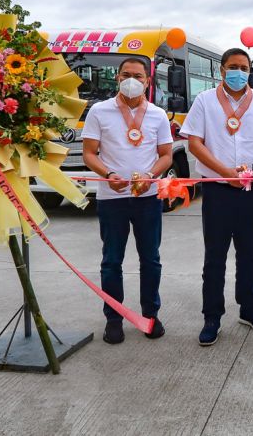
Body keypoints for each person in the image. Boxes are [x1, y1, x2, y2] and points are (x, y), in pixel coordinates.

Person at [181, 48, 253, 347]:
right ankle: (212, 316)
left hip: (250, 190)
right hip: (217, 188)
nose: (238, 72)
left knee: (248, 254)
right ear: (222, 70)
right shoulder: (205, 101)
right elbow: (195, 144)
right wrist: (226, 173)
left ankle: (249, 308)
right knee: (215, 257)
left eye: (244, 67)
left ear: (250, 70)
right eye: (232, 67)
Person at [82, 57, 173, 344]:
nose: (131, 80)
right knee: (111, 261)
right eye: (125, 75)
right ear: (117, 78)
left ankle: (151, 314)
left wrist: (149, 175)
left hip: (147, 198)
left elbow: (166, 155)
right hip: (112, 198)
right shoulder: (99, 111)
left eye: (137, 75)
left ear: (148, 81)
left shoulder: (158, 114)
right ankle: (114, 318)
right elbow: (89, 153)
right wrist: (108, 174)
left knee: (151, 260)